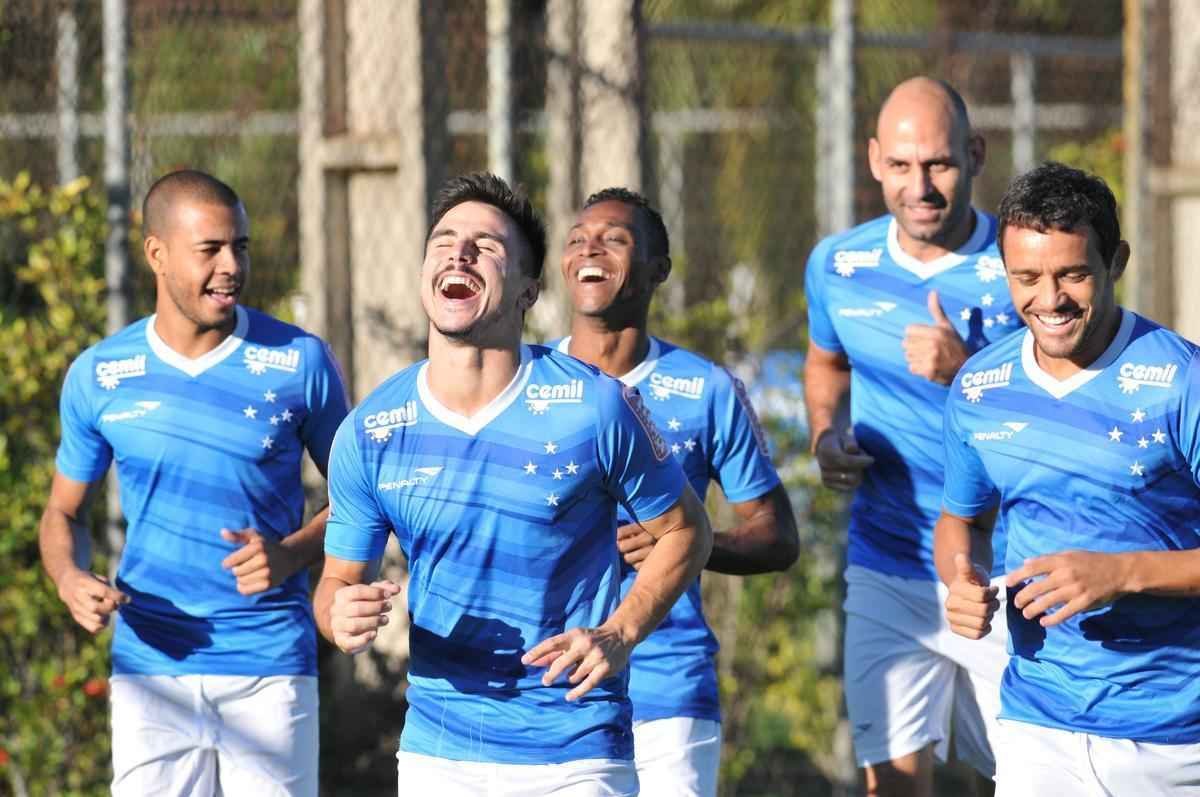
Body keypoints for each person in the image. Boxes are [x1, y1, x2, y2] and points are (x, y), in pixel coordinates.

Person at [313, 172, 713, 796]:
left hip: (577, 751)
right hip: (439, 755)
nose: (460, 253)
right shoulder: (370, 430)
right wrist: (338, 614)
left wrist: (621, 631)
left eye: (487, 245)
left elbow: (687, 531)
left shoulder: (596, 407)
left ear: (529, 290)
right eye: (444, 240)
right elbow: (338, 582)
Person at [39, 169, 348, 796]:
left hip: (269, 665)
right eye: (210, 249)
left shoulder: (300, 361)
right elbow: (62, 514)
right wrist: (70, 578)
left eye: (241, 246)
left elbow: (363, 503)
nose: (231, 265)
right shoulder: (101, 375)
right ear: (157, 253)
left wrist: (290, 554)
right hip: (151, 668)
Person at [936, 161, 1200, 795]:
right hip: (1038, 722)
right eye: (1025, 277)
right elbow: (961, 519)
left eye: (1072, 274)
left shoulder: (1182, 382)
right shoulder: (979, 387)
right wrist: (960, 578)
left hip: (1173, 734)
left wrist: (1121, 573)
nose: (1048, 300)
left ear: (1117, 262)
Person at [803, 76, 1022, 795]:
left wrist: (966, 371)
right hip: (886, 560)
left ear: (976, 155)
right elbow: (825, 361)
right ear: (873, 160)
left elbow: (1070, 406)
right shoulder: (838, 265)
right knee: (891, 786)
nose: (920, 185)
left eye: (939, 164)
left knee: (1032, 778)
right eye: (901, 165)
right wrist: (826, 434)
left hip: (1008, 570)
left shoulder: (1026, 269)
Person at [553, 186, 799, 796]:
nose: (591, 248)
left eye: (615, 239)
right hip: (552, 680)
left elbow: (778, 536)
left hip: (668, 681)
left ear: (657, 270)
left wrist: (688, 547)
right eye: (579, 237)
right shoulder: (529, 380)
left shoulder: (707, 389)